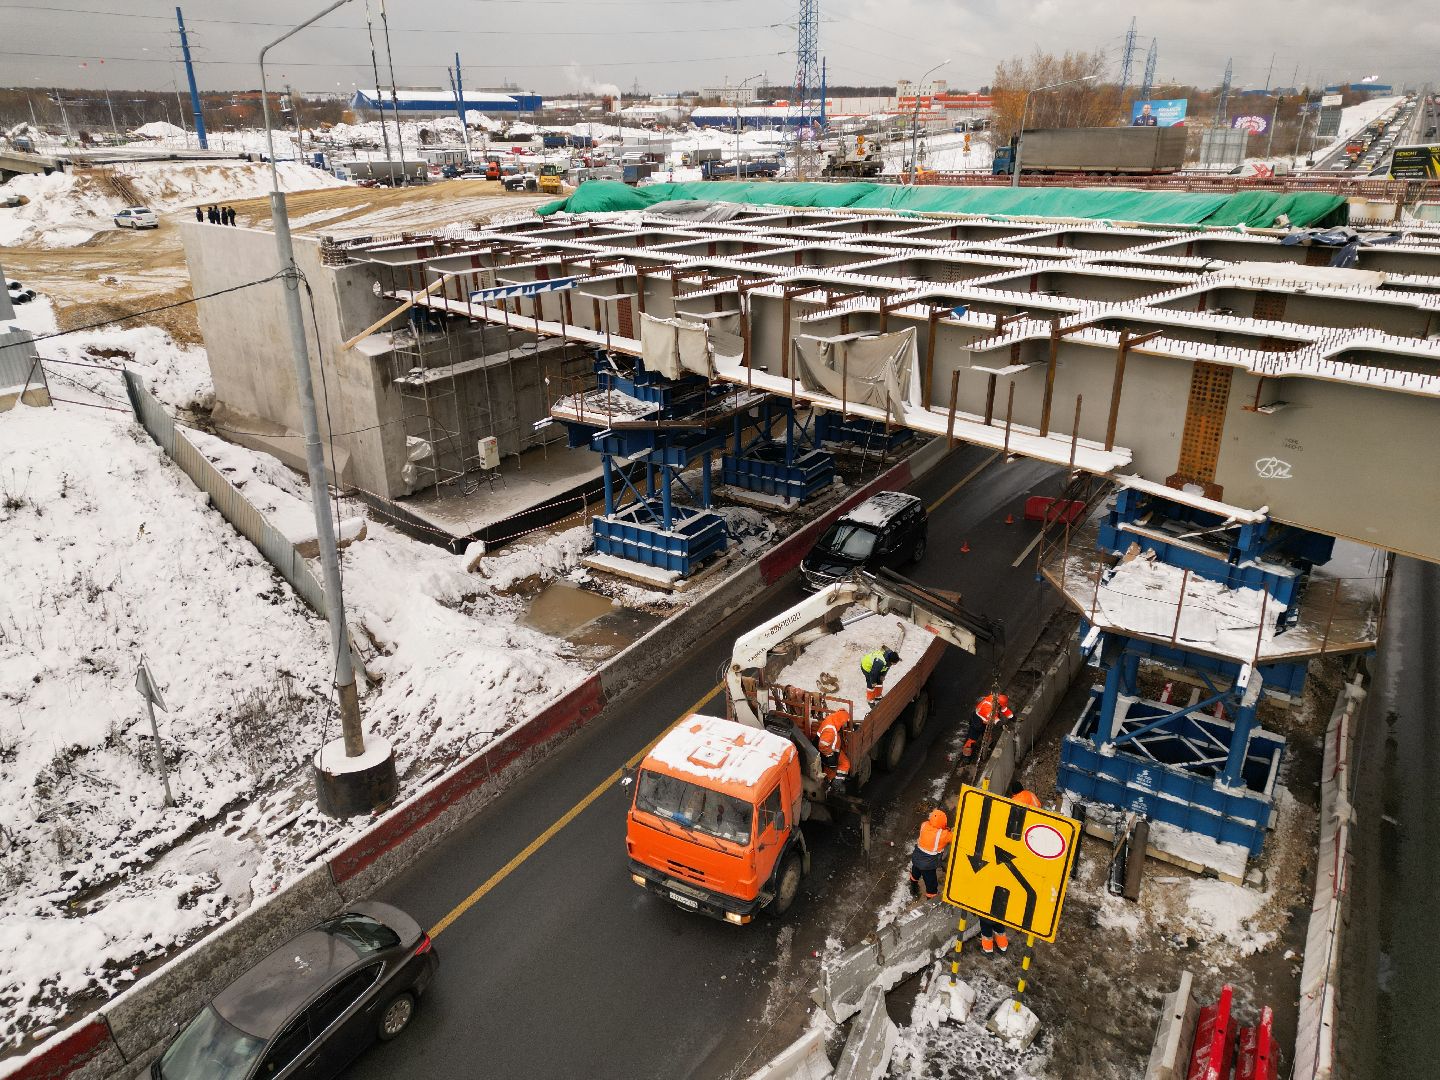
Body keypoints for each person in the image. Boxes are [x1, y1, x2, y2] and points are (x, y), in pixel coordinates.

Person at [978, 786, 1042, 953]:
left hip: (987, 905)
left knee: (985, 926)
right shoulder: (1030, 795)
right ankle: (1004, 946)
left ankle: (988, 949)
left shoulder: (1015, 802)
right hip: (1034, 829)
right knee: (999, 925)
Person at [908, 808, 952, 900]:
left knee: (915, 873)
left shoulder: (924, 825)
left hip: (917, 858)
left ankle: (913, 888)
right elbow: (953, 837)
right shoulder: (943, 835)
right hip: (928, 865)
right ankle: (930, 899)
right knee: (931, 883)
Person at [963, 691, 1013, 759]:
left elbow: (1004, 709)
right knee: (971, 741)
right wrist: (1001, 725)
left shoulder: (997, 701)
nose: (1001, 708)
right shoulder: (987, 707)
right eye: (1000, 706)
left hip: (986, 723)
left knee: (988, 737)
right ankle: (966, 757)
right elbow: (993, 718)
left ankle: (987, 748)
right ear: (998, 704)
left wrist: (1013, 717)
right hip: (977, 722)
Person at [816, 708, 851, 786]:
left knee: (841, 764)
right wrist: (830, 756)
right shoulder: (830, 730)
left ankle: (830, 782)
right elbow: (823, 746)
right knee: (844, 764)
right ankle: (835, 785)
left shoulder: (832, 718)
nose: (844, 724)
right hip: (829, 753)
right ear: (841, 720)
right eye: (844, 722)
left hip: (831, 749)